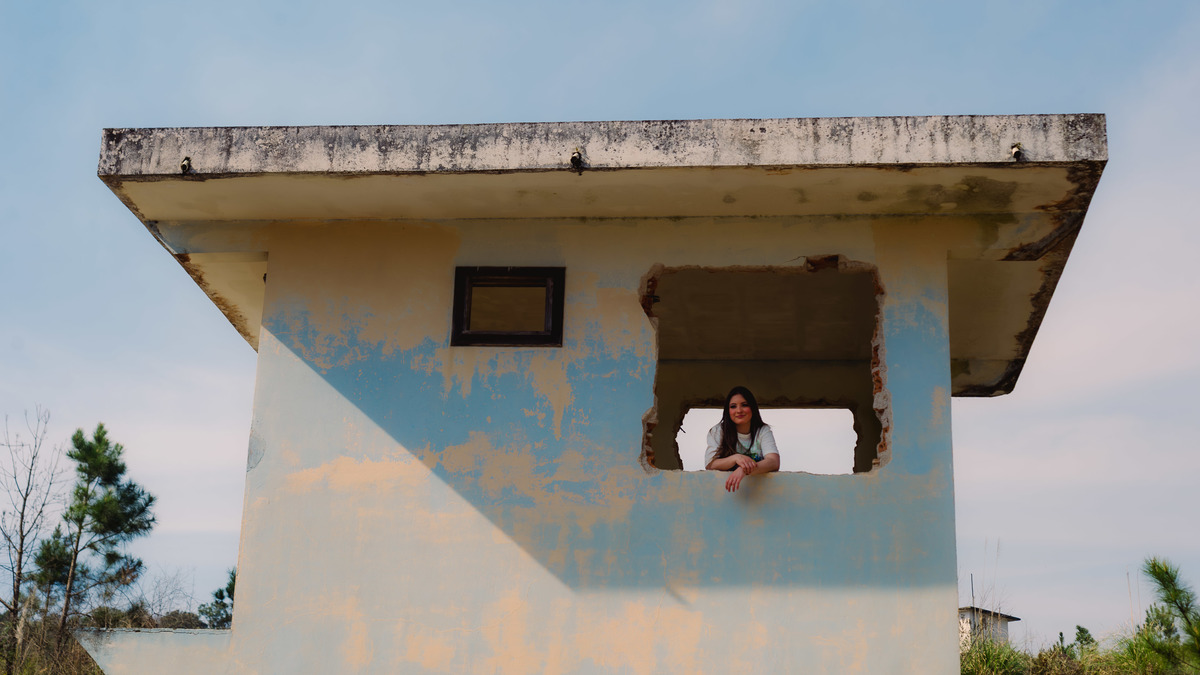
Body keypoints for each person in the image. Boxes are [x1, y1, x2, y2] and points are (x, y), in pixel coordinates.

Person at [704, 386, 780, 492]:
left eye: (744, 405)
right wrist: (736, 458)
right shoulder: (718, 431)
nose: (739, 410)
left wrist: (744, 470)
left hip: (759, 493)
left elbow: (773, 462)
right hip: (725, 492)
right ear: (727, 410)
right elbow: (710, 464)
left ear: (752, 407)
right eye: (733, 406)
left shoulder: (762, 430)